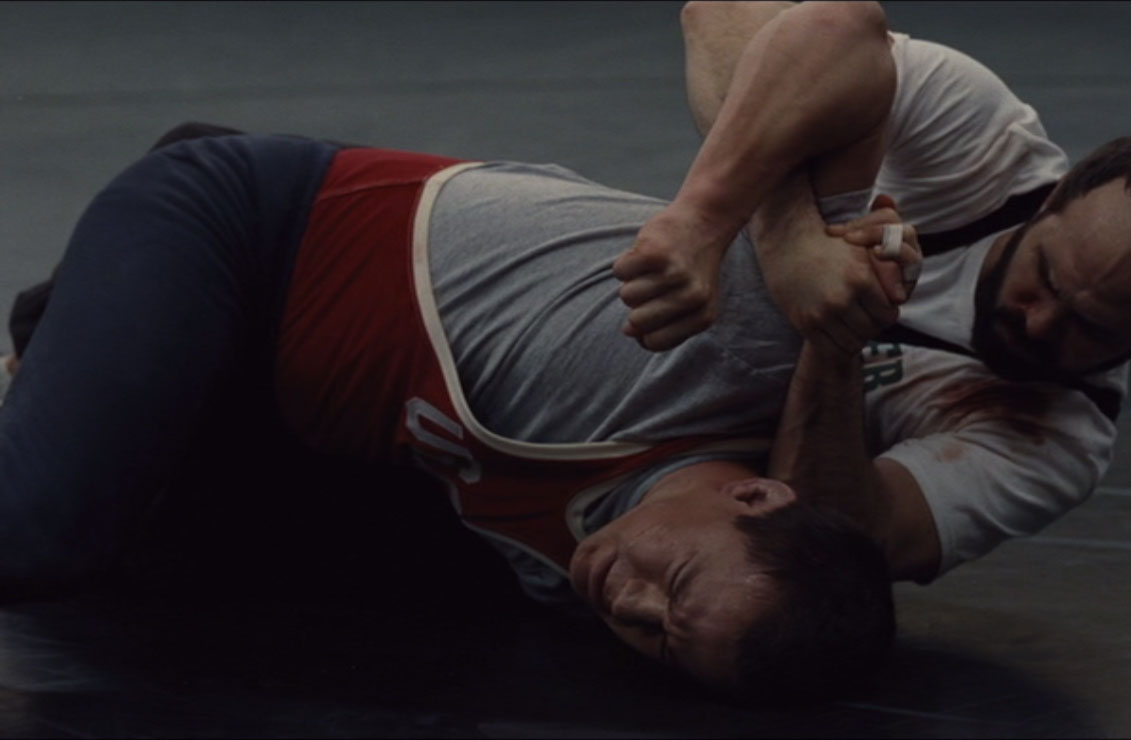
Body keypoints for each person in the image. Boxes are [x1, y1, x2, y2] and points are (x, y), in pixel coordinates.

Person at [0, 124, 900, 702]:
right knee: (39, 533)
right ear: (755, 496)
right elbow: (825, 46)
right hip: (239, 227)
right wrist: (803, 262)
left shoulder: (565, 578)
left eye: (656, 638)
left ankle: (73, 346)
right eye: (676, 583)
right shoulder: (716, 345)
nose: (627, 601)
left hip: (278, 389)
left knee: (155, 562)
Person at [614, 1, 1131, 582]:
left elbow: (829, 550)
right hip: (621, 316)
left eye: (1091, 327)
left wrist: (835, 345)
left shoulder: (1056, 443)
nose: (1038, 322)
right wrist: (786, 240)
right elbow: (727, 16)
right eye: (1046, 277)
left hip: (657, 464)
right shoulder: (985, 145)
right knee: (845, 28)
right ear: (1050, 201)